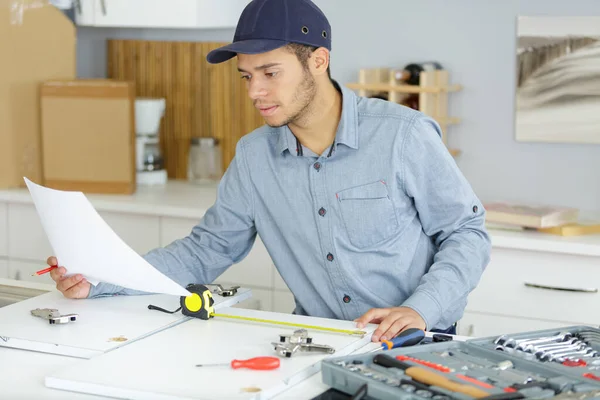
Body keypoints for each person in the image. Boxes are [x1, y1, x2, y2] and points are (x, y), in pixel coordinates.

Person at [47, 0, 491, 342]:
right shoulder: (254, 156)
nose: (255, 91)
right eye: (246, 77)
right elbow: (206, 249)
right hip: (319, 342)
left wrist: (420, 308)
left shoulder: (403, 136)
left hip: (416, 340)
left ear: (318, 60)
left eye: (270, 72)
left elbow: (467, 233)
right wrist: (101, 279)